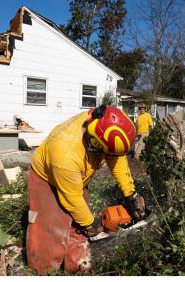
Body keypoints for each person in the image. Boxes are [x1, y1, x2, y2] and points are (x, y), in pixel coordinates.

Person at [26, 105, 147, 275]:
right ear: (95, 142)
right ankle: (43, 270)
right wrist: (91, 224)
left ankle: (78, 268)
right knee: (49, 230)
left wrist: (130, 194)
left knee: (77, 228)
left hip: (76, 178)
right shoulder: (65, 153)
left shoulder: (103, 120)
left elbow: (116, 157)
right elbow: (73, 198)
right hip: (47, 178)